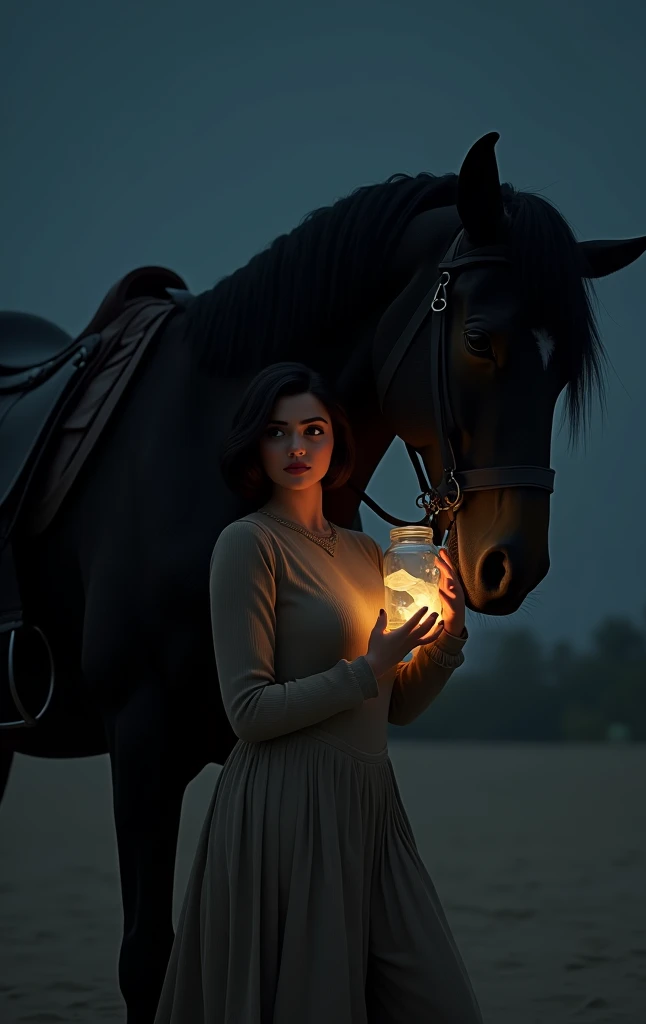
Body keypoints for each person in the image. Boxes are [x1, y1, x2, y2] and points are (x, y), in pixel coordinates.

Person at [154, 362, 483, 1024]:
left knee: (441, 1003)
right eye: (278, 433)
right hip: (285, 808)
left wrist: (450, 634)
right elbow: (247, 712)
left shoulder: (369, 554)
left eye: (313, 430)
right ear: (256, 445)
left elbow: (399, 707)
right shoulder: (246, 546)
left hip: (372, 809)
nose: (297, 448)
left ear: (336, 441)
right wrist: (367, 667)